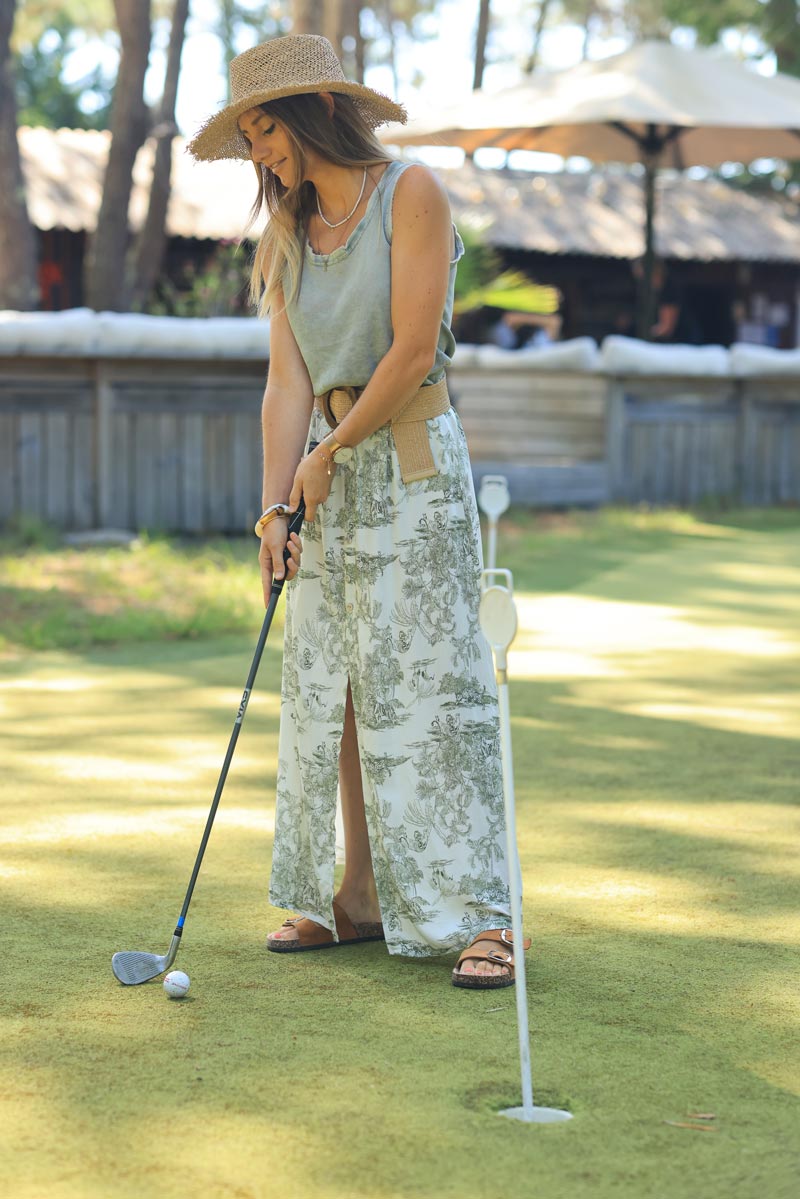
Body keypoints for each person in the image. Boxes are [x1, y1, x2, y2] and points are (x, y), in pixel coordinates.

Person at [188, 35, 526, 989]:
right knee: (336, 690)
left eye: (264, 130)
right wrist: (271, 508)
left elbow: (414, 349)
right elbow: (285, 385)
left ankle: (487, 914)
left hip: (412, 462)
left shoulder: (410, 194)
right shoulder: (289, 236)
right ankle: (362, 897)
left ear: (313, 112)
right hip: (328, 483)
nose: (259, 153)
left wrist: (327, 456)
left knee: (438, 690)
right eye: (248, 136)